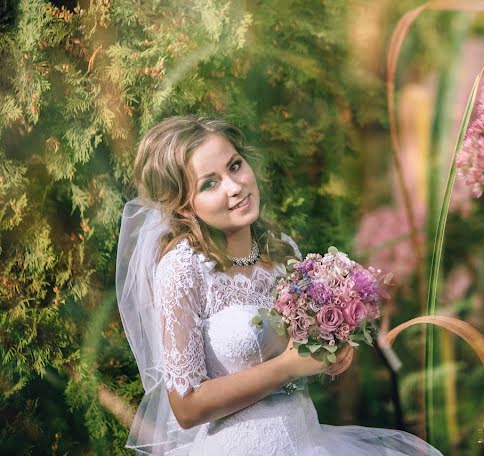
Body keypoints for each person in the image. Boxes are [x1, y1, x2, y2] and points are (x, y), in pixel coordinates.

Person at [116, 114, 442, 455]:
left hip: (309, 440)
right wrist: (288, 366)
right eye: (209, 183)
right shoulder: (183, 269)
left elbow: (300, 353)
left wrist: (329, 351)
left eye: (235, 166)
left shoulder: (282, 248)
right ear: (185, 207)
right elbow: (186, 407)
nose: (235, 186)